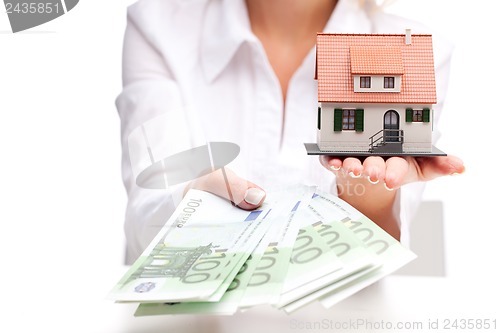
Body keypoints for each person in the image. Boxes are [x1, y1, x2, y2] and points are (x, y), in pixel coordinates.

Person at [117, 0, 465, 263]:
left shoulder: (419, 51)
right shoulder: (157, 28)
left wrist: (365, 188)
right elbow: (143, 224)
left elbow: (376, 256)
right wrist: (189, 199)